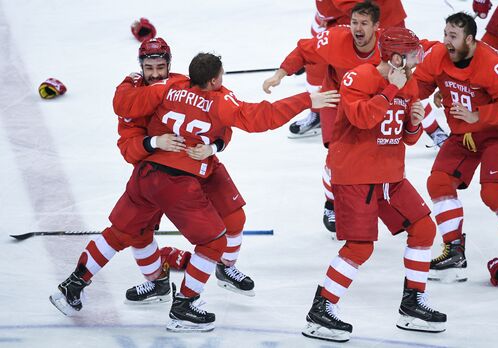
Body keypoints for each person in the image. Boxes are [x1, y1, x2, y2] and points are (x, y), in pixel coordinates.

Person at [50, 52, 339, 332]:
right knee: (214, 242)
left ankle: (73, 285)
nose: (155, 72)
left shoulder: (168, 86)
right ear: (215, 79)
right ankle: (185, 305)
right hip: (178, 180)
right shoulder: (218, 100)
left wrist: (206, 146)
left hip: (147, 176)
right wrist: (307, 100)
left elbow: (125, 104)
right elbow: (262, 116)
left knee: (118, 233)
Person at [301, 27, 447, 343]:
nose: (416, 60)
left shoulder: (408, 84)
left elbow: (405, 139)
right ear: (396, 57)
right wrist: (389, 92)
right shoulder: (358, 78)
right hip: (355, 175)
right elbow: (362, 119)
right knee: (360, 247)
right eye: (411, 55)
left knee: (423, 228)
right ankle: (321, 309)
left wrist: (415, 123)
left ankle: (412, 305)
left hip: (390, 175)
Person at [117, 38, 257, 302]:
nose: (155, 73)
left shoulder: (183, 84)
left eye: (161, 66)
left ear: (169, 64)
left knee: (236, 220)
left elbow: (223, 123)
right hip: (157, 175)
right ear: (141, 67)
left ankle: (226, 268)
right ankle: (157, 283)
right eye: (149, 68)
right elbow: (128, 148)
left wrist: (214, 146)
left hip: (202, 165)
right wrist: (153, 143)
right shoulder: (131, 99)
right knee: (139, 233)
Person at [414, 12, 498, 285]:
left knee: (494, 193)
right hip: (463, 136)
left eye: (453, 36)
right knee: (438, 182)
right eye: (445, 34)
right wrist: (397, 91)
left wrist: (478, 115)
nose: (447, 41)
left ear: (470, 40)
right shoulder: (438, 55)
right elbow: (421, 85)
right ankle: (453, 252)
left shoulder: (493, 65)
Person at [264, 1, 382, 236]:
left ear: (376, 27)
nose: (357, 28)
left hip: (368, 104)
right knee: (336, 156)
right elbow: (303, 51)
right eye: (354, 23)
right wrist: (280, 74)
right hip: (334, 100)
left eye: (364, 24)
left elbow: (415, 63)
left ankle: (370, 200)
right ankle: (331, 205)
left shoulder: (387, 47)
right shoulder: (335, 39)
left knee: (369, 157)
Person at [289, 0, 409, 138]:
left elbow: (358, 10)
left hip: (382, 20)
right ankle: (318, 113)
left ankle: (429, 128)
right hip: (358, 19)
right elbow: (324, 12)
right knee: (319, 66)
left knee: (397, 77)